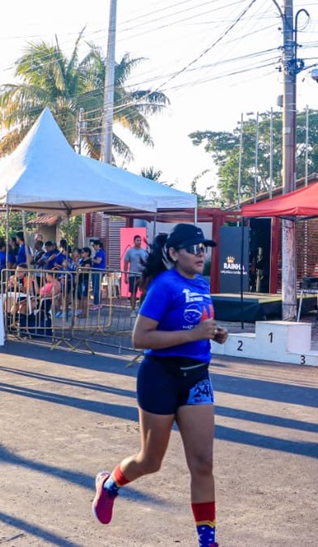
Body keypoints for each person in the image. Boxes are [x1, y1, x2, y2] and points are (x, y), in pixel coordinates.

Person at [92, 224, 228, 547]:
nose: (200, 253)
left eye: (203, 247)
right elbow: (140, 338)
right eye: (193, 247)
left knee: (202, 463)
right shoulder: (164, 285)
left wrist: (214, 332)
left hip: (197, 376)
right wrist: (194, 334)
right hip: (160, 377)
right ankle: (109, 484)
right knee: (151, 461)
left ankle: (207, 541)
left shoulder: (203, 284)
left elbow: (195, 324)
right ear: (173, 253)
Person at [124, 234, 149, 318]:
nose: (139, 242)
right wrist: (125, 276)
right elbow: (126, 264)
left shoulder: (144, 251)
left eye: (140, 240)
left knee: (144, 292)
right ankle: (133, 310)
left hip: (142, 275)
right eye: (137, 240)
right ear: (134, 241)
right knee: (133, 292)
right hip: (133, 274)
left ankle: (142, 309)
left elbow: (147, 263)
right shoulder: (130, 251)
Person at [90, 239, 106, 310]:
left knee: (96, 288)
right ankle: (98, 303)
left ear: (97, 245)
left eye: (94, 246)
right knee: (97, 287)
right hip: (97, 271)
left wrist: (91, 260)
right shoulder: (99, 252)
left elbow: (98, 261)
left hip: (98, 271)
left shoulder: (100, 253)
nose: (93, 247)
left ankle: (96, 303)